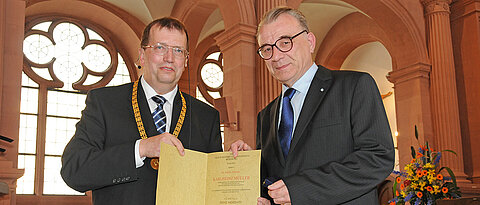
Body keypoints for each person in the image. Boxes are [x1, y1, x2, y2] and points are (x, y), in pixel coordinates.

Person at [230, 7, 395, 204]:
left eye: (285, 42)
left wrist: (300, 190)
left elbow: (377, 158)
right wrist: (251, 166)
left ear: (310, 42)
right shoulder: (266, 115)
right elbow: (277, 178)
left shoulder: (354, 86)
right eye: (267, 48)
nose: (275, 56)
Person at [61, 17, 222, 205]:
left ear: (185, 61)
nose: (169, 58)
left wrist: (240, 164)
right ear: (142, 55)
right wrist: (141, 149)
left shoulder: (206, 116)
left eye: (178, 50)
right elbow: (74, 170)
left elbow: (215, 189)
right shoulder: (105, 103)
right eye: (160, 47)